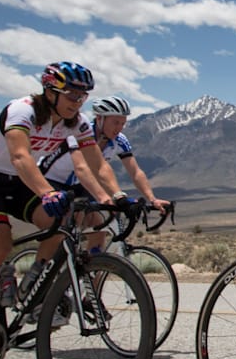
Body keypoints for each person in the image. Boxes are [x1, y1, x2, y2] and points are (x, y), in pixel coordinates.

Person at [0, 62, 115, 359]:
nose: (78, 102)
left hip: (19, 183)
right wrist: (47, 192)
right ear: (50, 91)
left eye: (83, 97)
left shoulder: (78, 122)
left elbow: (97, 163)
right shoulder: (22, 111)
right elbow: (20, 157)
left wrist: (118, 197)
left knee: (63, 219)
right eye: (72, 95)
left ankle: (34, 284)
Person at [31, 95, 173, 284]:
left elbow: (135, 171)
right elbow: (82, 169)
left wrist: (152, 198)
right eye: (115, 122)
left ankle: (89, 292)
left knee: (99, 230)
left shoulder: (120, 141)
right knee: (67, 223)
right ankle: (39, 272)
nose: (119, 128)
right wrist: (107, 197)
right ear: (99, 119)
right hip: (54, 182)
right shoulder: (79, 133)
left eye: (123, 123)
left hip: (81, 186)